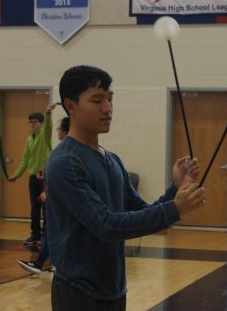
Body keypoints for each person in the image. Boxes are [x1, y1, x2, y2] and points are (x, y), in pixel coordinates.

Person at [45, 65, 206, 311]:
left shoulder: (112, 160)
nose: (108, 109)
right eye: (97, 100)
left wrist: (176, 188)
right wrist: (176, 208)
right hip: (78, 291)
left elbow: (143, 212)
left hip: (114, 288)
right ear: (71, 105)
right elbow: (106, 225)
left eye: (110, 99)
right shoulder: (65, 162)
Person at [18, 116, 70, 274]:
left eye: (59, 129)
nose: (57, 132)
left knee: (53, 230)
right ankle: (49, 263)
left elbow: (63, 176)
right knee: (54, 231)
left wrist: (46, 190)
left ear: (65, 132)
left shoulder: (65, 150)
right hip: (55, 193)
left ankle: (43, 263)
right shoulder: (65, 148)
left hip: (59, 198)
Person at [9, 103, 56, 245]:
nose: (33, 125)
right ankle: (35, 234)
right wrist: (16, 175)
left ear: (41, 123)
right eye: (31, 122)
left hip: (45, 178)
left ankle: (46, 236)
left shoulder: (45, 136)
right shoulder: (30, 139)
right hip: (33, 178)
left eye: (35, 122)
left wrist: (48, 113)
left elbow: (49, 127)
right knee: (34, 208)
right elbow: (25, 160)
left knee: (45, 208)